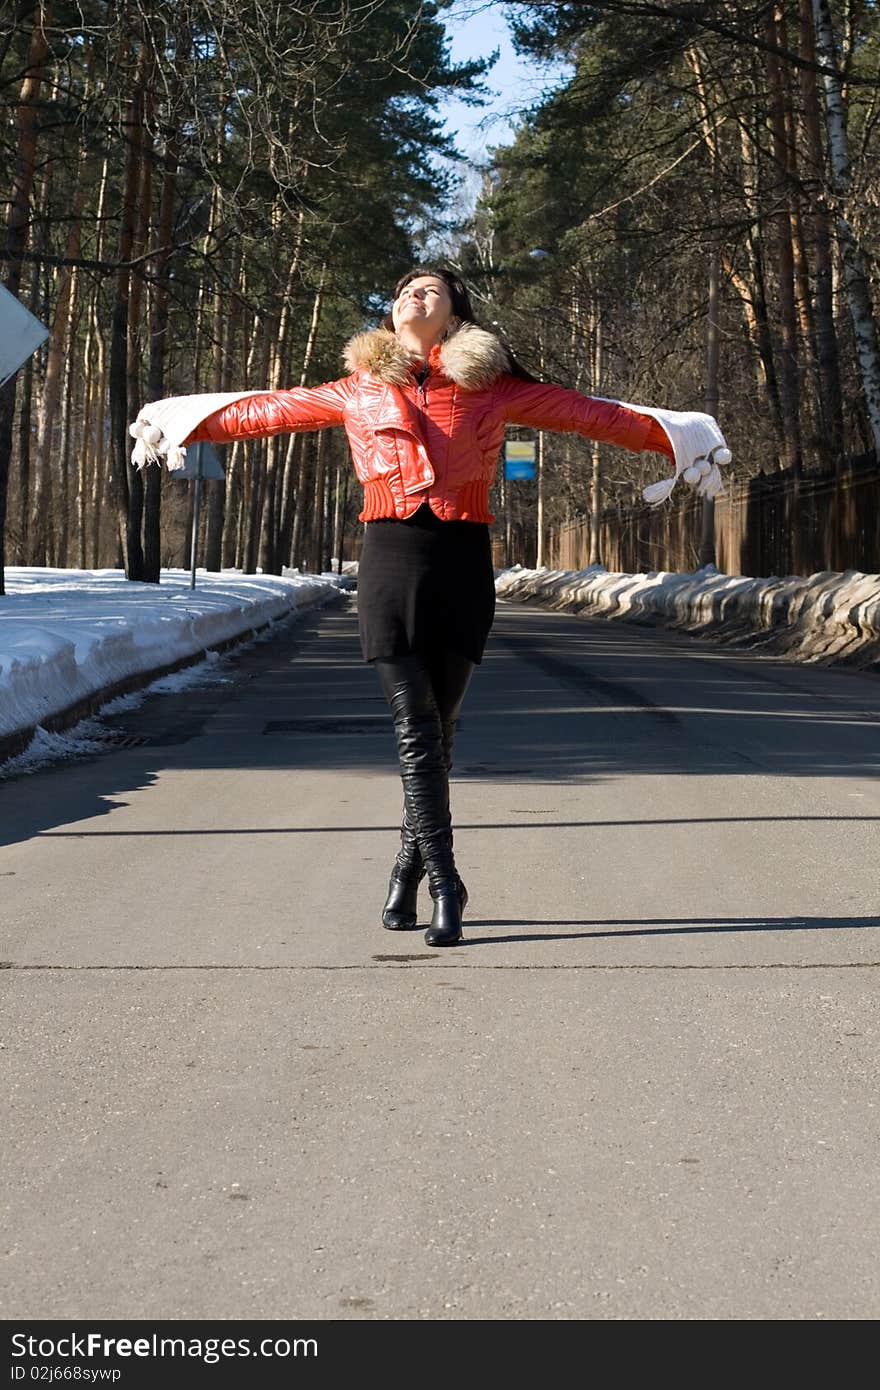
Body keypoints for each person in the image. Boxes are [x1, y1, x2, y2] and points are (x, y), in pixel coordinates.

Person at [130, 266, 728, 948]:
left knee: (438, 732)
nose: (420, 294)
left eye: (434, 290)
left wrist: (681, 435)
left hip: (463, 560)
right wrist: (180, 420)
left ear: (454, 315)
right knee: (415, 728)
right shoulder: (357, 388)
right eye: (408, 288)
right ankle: (447, 882)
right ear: (390, 313)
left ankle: (406, 870)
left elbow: (590, 414)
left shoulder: (493, 389)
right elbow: (268, 410)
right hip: (388, 559)